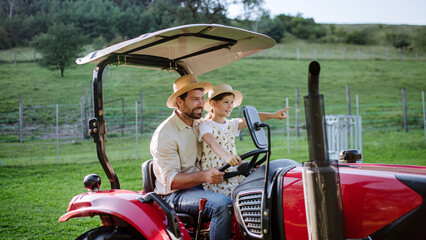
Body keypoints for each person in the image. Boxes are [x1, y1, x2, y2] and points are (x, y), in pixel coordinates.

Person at [150, 74, 233, 240]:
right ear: (179, 102)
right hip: (175, 194)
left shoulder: (200, 124)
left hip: (200, 185)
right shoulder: (165, 134)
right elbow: (171, 181)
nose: (202, 104)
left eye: (203, 99)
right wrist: (205, 176)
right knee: (222, 205)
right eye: (195, 99)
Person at [200, 84, 290, 197]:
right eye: (226, 102)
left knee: (267, 190)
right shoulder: (206, 126)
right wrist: (227, 157)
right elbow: (212, 143)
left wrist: (272, 115)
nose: (230, 106)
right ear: (213, 103)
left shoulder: (230, 125)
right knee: (246, 196)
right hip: (218, 178)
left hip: (235, 174)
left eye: (232, 102)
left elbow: (250, 119)